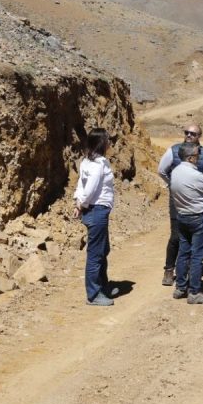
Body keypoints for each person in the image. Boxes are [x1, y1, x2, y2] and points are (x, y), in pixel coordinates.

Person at [157, 124, 203, 286]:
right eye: (187, 132)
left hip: (195, 201)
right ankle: (169, 269)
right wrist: (175, 185)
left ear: (199, 136)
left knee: (191, 236)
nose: (189, 135)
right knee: (176, 235)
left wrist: (196, 186)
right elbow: (161, 170)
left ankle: (187, 271)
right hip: (177, 199)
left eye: (193, 133)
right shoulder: (173, 150)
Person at [169, 143, 203, 304]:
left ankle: (180, 287)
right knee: (197, 256)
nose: (198, 158)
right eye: (196, 156)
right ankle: (194, 291)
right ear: (190, 158)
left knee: (183, 252)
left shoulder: (175, 172)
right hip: (198, 218)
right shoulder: (194, 174)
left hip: (182, 216)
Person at [73, 128, 116, 307]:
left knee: (102, 250)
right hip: (97, 210)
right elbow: (89, 188)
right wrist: (81, 203)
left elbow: (80, 185)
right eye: (107, 140)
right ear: (102, 143)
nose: (109, 143)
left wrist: (78, 202)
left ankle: (102, 285)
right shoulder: (99, 164)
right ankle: (94, 294)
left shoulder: (86, 162)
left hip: (93, 209)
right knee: (96, 254)